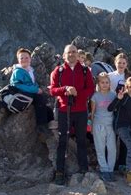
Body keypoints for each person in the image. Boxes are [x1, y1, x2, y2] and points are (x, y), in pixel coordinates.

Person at [49, 44, 95, 185]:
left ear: (78, 54)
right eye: (69, 52)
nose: (72, 54)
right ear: (64, 55)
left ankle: (83, 169)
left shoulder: (86, 71)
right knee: (62, 141)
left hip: (81, 111)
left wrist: (77, 93)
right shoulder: (59, 71)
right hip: (64, 110)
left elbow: (91, 89)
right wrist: (65, 90)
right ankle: (60, 172)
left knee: (81, 140)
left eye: (74, 52)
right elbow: (52, 90)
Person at [108, 77, 131, 186]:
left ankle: (129, 168)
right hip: (120, 126)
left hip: (129, 126)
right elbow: (110, 108)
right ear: (126, 87)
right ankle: (129, 173)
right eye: (129, 87)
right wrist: (118, 99)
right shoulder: (123, 97)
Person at [9, 48, 56, 131]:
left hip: (30, 92)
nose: (24, 60)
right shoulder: (18, 71)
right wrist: (36, 90)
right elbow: (16, 85)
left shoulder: (30, 70)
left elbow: (33, 83)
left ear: (30, 59)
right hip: (22, 93)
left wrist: (38, 88)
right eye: (21, 58)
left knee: (46, 104)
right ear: (18, 60)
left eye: (26, 57)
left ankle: (51, 122)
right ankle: (41, 125)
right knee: (40, 99)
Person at [90, 73, 117, 182]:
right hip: (98, 124)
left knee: (112, 148)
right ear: (98, 84)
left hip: (110, 124)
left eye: (107, 82)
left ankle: (110, 170)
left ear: (109, 83)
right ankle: (104, 169)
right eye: (102, 82)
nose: (105, 84)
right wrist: (91, 125)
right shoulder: (95, 96)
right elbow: (92, 112)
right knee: (100, 148)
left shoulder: (113, 95)